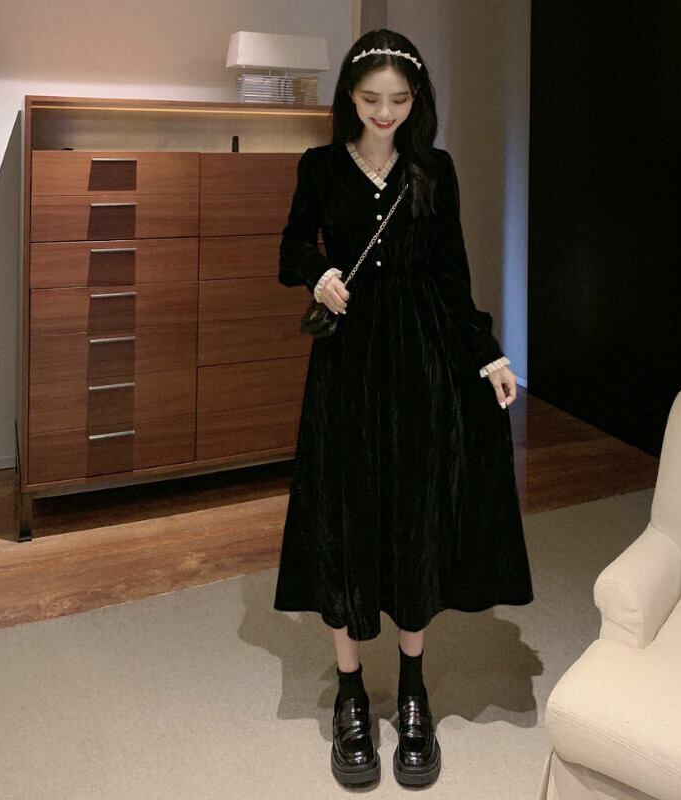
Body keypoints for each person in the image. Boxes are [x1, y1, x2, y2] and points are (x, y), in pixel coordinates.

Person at [274, 28, 533, 788]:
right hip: (348, 365)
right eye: (370, 100)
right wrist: (320, 272)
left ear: (416, 100)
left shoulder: (433, 170)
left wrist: (488, 353)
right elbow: (291, 249)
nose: (384, 113)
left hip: (421, 359)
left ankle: (414, 686)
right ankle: (351, 690)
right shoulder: (321, 166)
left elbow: (451, 273)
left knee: (416, 512)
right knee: (345, 514)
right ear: (349, 99)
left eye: (398, 100)